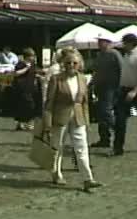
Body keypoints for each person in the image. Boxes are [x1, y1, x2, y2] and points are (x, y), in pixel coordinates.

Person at [42, 48, 103, 192]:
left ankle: (88, 179)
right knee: (57, 147)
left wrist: (86, 121)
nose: (71, 65)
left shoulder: (82, 78)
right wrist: (47, 123)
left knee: (82, 148)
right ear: (63, 64)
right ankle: (56, 173)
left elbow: (85, 102)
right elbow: (49, 102)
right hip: (60, 117)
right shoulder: (56, 79)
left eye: (74, 63)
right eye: (68, 63)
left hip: (78, 117)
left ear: (79, 64)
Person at [89, 36, 123, 148]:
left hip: (111, 87)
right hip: (100, 87)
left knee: (106, 111)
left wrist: (121, 85)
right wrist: (92, 83)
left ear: (108, 43)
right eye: (98, 42)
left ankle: (119, 131)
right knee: (101, 113)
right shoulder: (99, 55)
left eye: (101, 42)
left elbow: (122, 69)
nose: (99, 44)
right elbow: (95, 71)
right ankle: (104, 139)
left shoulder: (114, 54)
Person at [12, 48, 41, 131]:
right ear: (27, 56)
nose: (34, 58)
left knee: (31, 106)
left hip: (30, 88)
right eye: (32, 56)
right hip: (21, 88)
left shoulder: (32, 65)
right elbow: (16, 73)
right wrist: (26, 68)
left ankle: (27, 123)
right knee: (25, 106)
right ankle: (22, 123)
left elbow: (34, 74)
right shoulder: (20, 64)